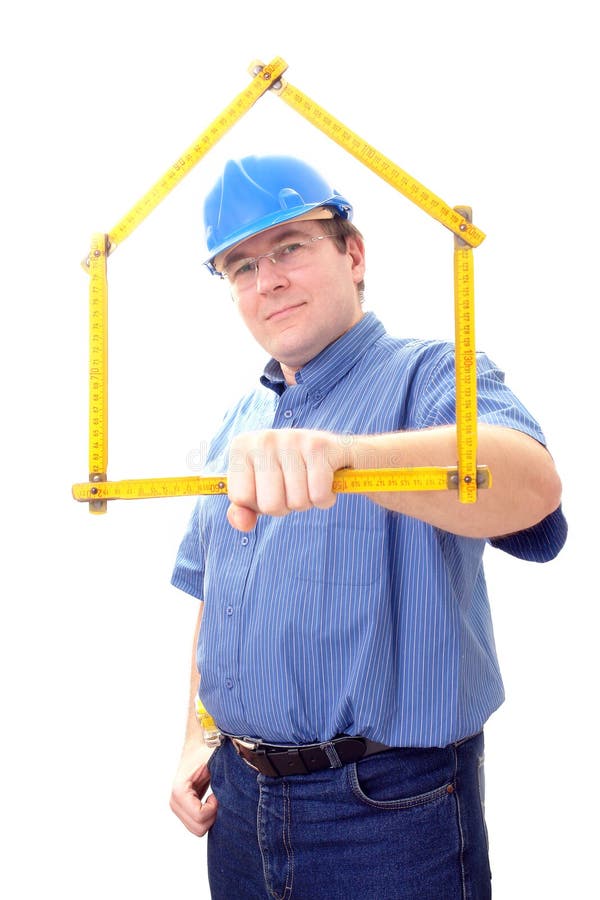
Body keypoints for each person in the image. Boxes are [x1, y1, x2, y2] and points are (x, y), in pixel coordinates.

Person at [169, 155, 567, 899]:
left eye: (289, 247)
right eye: (240, 266)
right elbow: (211, 595)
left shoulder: (432, 376)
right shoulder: (238, 423)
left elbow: (533, 486)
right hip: (237, 808)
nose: (267, 280)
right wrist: (196, 733)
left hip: (387, 813)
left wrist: (349, 456)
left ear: (352, 254)